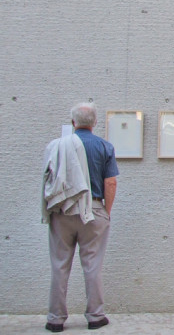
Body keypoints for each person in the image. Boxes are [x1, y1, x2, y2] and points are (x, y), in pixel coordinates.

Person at [41, 102, 118, 332]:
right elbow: (110, 182)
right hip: (93, 210)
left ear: (73, 122)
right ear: (95, 123)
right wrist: (106, 211)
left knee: (59, 265)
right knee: (93, 265)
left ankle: (55, 319)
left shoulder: (56, 146)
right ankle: (95, 316)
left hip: (62, 211)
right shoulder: (104, 146)